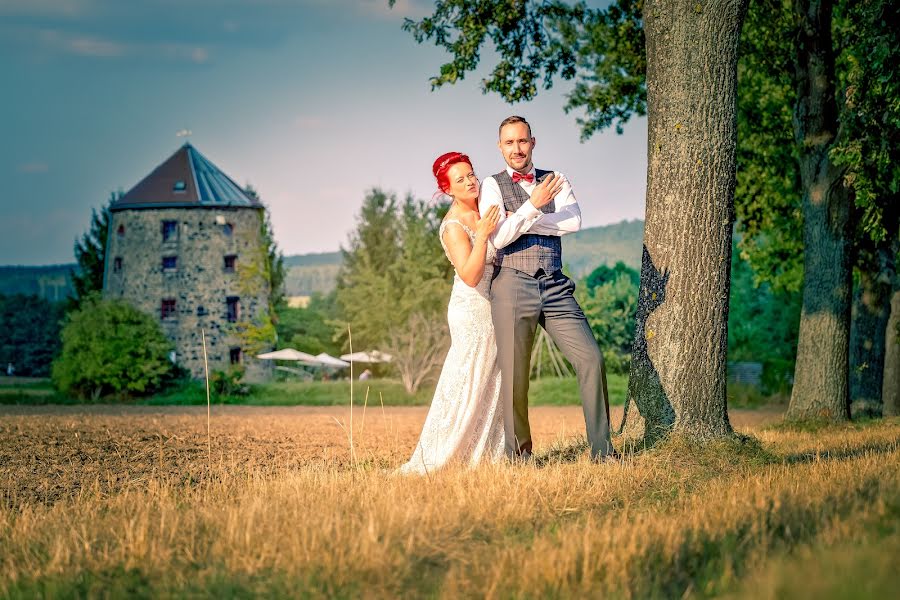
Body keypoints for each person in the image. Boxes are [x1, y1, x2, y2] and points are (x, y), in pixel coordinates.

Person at [479, 115, 615, 461]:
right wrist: (536, 205)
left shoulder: (557, 179)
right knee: (515, 377)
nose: (517, 149)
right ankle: (519, 457)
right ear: (500, 147)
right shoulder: (491, 186)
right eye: (509, 142)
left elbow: (574, 222)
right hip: (512, 284)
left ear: (533, 142)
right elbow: (498, 236)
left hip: (556, 285)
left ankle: (602, 451)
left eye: (522, 141)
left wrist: (523, 217)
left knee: (592, 359)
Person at [398, 152, 505, 474]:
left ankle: (489, 455)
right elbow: (471, 275)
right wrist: (484, 234)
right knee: (467, 379)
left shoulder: (487, 207)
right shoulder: (453, 226)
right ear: (448, 189)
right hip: (472, 308)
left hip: (497, 304)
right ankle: (444, 453)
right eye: (461, 179)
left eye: (471, 174)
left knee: (492, 379)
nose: (471, 181)